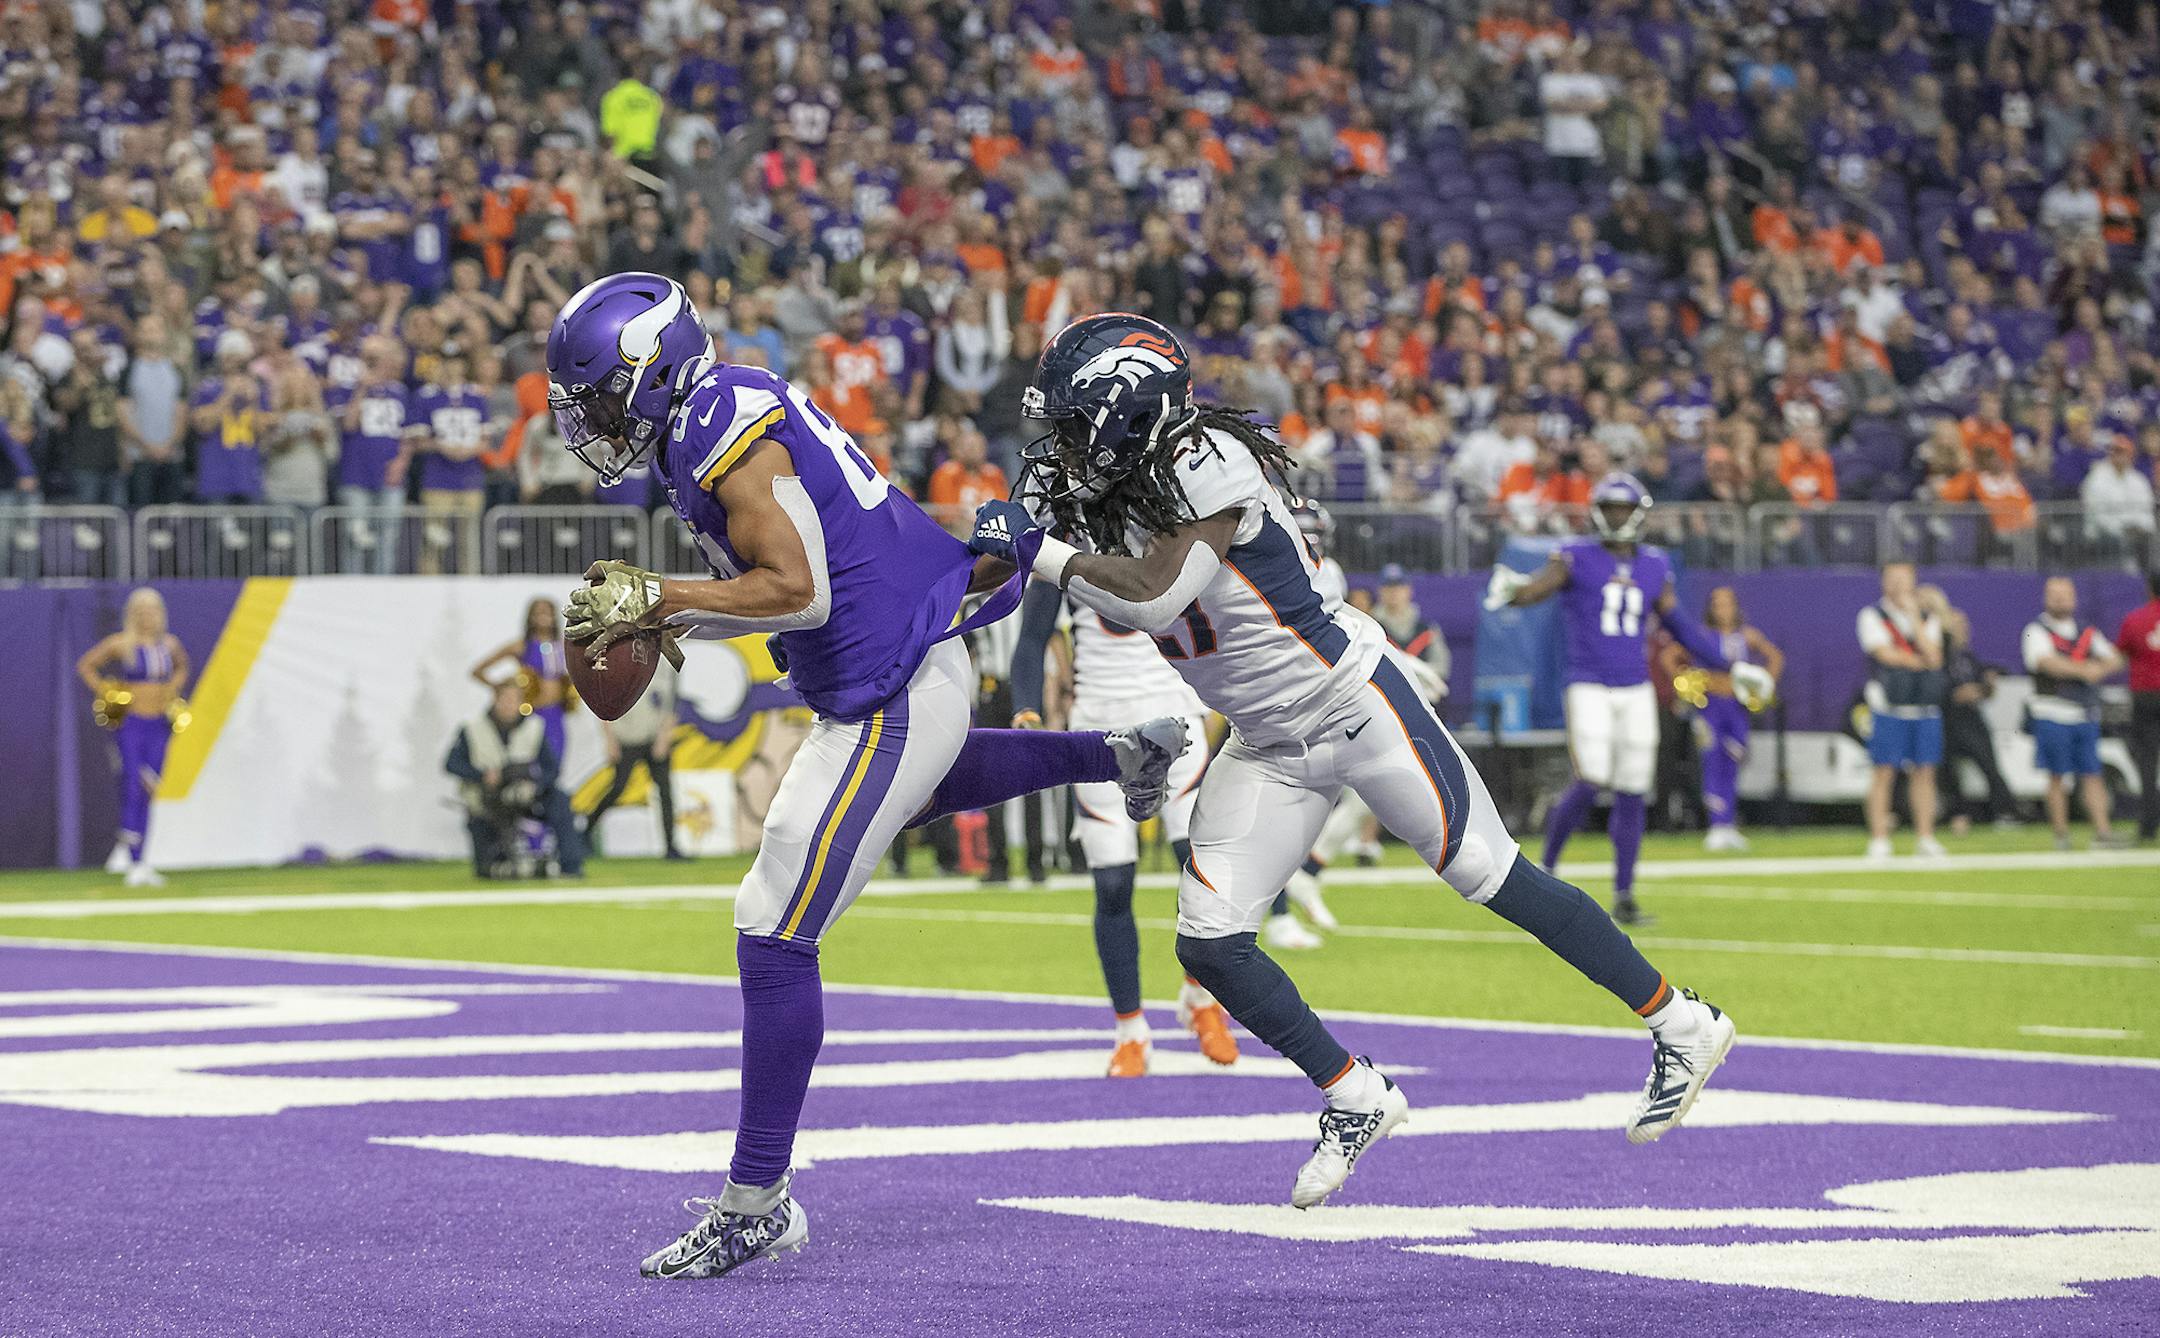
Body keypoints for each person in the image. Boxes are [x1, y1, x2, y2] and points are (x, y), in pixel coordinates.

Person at [969, 313, 1736, 1213]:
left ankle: (1682, 1023)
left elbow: (1156, 594)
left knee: (1491, 874)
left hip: (1351, 702)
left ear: (1123, 409)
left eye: (1070, 420)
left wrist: (1033, 546)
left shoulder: (1206, 453)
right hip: (1265, 741)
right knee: (1209, 944)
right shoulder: (1096, 487)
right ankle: (1353, 1093)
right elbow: (999, 578)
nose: (1056, 444)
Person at [542, 274, 1188, 1279]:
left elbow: (797, 591)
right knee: (911, 795)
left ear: (650, 371)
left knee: (773, 926)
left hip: (891, 677)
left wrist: (665, 596)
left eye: (599, 395)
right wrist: (675, 615)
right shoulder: (709, 414)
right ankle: (1119, 755)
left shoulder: (718, 423)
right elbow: (788, 586)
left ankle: (757, 1202)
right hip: (897, 664)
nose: (591, 419)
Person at [1488, 474, 1776, 923]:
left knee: (1633, 788)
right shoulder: (1575, 556)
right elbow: (1537, 588)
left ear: (1639, 514)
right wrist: (1513, 594)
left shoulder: (1655, 566)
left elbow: (1681, 628)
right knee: (1592, 776)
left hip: (1635, 685)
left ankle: (1624, 893)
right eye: (1611, 509)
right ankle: (1544, 868)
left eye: (1624, 510)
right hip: (1587, 683)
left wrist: (1730, 665)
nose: (1617, 518)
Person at [1008, 564, 1239, 1076]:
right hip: (1100, 732)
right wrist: (1026, 710)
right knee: (1113, 883)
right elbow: (1030, 641)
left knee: (1206, 870)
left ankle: (1202, 997)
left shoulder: (1164, 531)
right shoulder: (1061, 546)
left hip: (1176, 719)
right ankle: (1130, 1027)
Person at [75, 589, 190, 887]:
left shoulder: (169, 644)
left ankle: (141, 860)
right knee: (133, 783)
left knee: (150, 787)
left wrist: (172, 689)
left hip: (160, 724)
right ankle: (131, 844)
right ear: (132, 615)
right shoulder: (121, 644)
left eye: (152, 611)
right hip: (131, 723)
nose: (147, 617)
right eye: (141, 611)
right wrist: (108, 692)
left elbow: (182, 668)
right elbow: (86, 665)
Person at [1659, 587, 1783, 850]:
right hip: (1710, 705)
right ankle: (1716, 825)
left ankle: (1728, 824)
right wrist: (1684, 682)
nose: (1723, 610)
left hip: (1737, 707)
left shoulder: (1746, 636)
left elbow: (1775, 656)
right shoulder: (1702, 637)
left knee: (1733, 762)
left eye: (1728, 604)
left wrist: (1764, 685)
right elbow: (1668, 656)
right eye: (1718, 604)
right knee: (1711, 761)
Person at [2022, 577, 2125, 850]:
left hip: (2084, 712)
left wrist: (2099, 670)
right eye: (2054, 595)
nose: (2060, 600)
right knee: (2057, 775)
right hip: (2052, 712)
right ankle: (2061, 834)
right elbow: (2044, 662)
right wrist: (2084, 670)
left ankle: (2102, 832)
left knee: (2092, 773)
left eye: (2065, 595)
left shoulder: (2086, 631)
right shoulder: (2034, 629)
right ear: (2045, 598)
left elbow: (2114, 657)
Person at [445, 680, 586, 878]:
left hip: (524, 791)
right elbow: (452, 763)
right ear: (495, 699)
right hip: (488, 795)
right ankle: (497, 865)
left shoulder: (534, 726)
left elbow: (551, 767)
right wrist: (482, 776)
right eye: (506, 699)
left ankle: (570, 866)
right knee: (486, 863)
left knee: (559, 800)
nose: (510, 704)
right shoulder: (472, 728)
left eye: (514, 699)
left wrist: (536, 785)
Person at [1858, 563, 1948, 860]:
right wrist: (1919, 660)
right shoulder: (1872, 615)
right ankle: (1880, 838)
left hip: (1923, 704)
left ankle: (1925, 836)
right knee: (1884, 771)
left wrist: (1913, 616)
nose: (1898, 585)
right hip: (1890, 704)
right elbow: (1884, 654)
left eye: (1904, 579)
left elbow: (1935, 656)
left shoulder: (1926, 617)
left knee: (1925, 772)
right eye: (1892, 579)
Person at [584, 658, 685, 860]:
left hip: (654, 735)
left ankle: (670, 846)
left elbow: (673, 701)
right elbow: (603, 699)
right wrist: (610, 739)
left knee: (665, 791)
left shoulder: (666, 659)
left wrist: (665, 735)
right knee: (618, 788)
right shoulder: (619, 655)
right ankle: (585, 831)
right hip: (627, 736)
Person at [1939, 604, 2018, 834]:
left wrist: (1986, 687)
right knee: (1947, 771)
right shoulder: (1940, 656)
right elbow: (1942, 689)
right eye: (1957, 626)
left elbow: (1984, 691)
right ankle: (1958, 814)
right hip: (1948, 720)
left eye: (1965, 625)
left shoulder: (1968, 657)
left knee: (1989, 765)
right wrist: (1957, 695)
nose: (1963, 630)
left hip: (1972, 719)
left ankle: (2005, 811)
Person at [473, 599, 573, 764]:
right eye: (538, 612)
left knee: (554, 762)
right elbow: (478, 671)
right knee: (529, 759)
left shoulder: (563, 646)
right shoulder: (522, 646)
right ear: (530, 617)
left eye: (547, 612)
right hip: (531, 714)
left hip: (556, 715)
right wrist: (500, 687)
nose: (543, 616)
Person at [2117, 570, 2160, 843]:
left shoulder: (2135, 619)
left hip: (2146, 696)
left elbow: (2120, 654)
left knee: (2146, 762)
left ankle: (2148, 824)